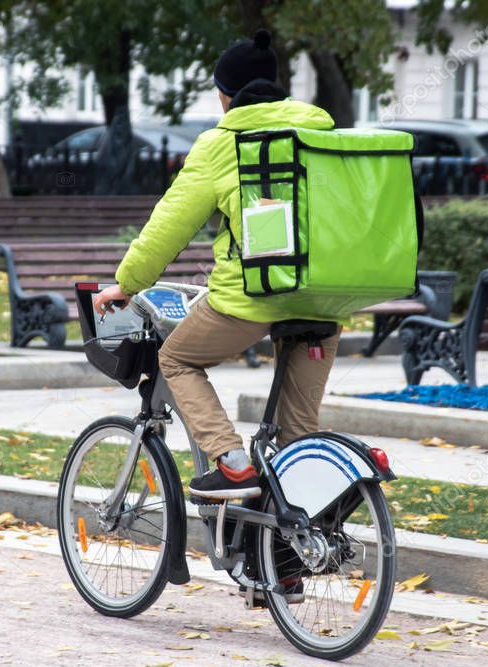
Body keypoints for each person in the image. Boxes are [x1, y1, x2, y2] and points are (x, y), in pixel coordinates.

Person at [93, 29, 343, 500]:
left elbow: (169, 225)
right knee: (298, 438)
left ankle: (230, 462)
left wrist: (126, 284)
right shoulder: (321, 131)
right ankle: (286, 563)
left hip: (254, 296)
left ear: (227, 96)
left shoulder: (220, 143)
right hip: (326, 296)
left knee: (178, 357)